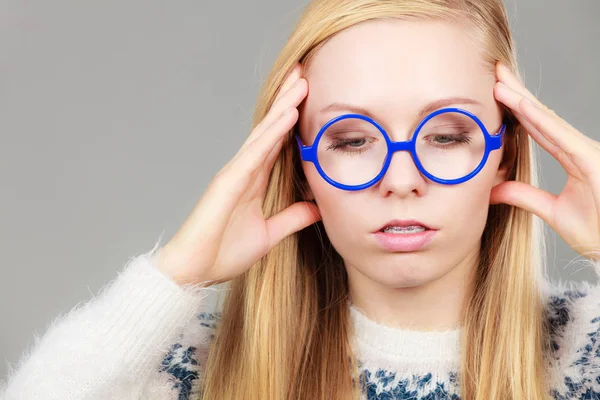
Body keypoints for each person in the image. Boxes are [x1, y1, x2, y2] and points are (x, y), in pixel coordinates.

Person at [1, 0, 599, 399]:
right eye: (350, 139)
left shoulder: (585, 347)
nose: (400, 178)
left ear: (504, 149)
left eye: (445, 135)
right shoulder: (191, 363)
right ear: (299, 164)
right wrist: (173, 280)